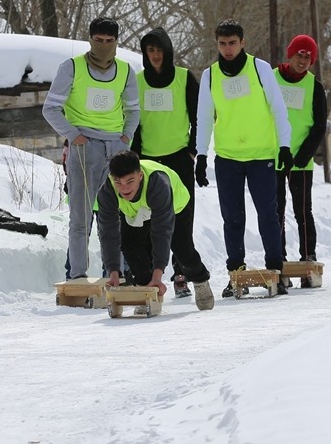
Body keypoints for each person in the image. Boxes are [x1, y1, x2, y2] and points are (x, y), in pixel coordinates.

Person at [194, 19, 293, 296]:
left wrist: (284, 146)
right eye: (222, 44)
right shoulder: (210, 76)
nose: (227, 49)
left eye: (232, 43)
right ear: (217, 44)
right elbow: (203, 118)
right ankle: (235, 272)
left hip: (262, 155)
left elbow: (278, 110)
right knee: (233, 218)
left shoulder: (260, 69)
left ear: (243, 43)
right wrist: (201, 155)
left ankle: (276, 270)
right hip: (227, 158)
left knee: (267, 216)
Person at [43, 17, 139, 280]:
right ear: (90, 39)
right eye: (99, 40)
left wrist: (126, 138)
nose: (105, 46)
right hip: (85, 148)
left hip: (116, 147)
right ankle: (78, 276)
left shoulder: (125, 70)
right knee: (81, 218)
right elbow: (50, 108)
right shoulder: (72, 68)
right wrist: (74, 136)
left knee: (120, 215)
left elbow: (132, 109)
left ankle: (118, 273)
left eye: (110, 41)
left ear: (117, 42)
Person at [131, 26, 201, 297]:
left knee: (182, 220)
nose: (155, 55)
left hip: (179, 158)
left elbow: (198, 116)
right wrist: (135, 154)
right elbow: (133, 119)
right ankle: (150, 277)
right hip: (148, 161)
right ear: (145, 53)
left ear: (167, 51)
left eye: (159, 50)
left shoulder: (184, 78)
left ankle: (181, 273)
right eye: (150, 50)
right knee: (150, 222)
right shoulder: (137, 81)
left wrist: (194, 150)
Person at [96, 150, 214, 310]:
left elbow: (162, 232)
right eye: (119, 182)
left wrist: (158, 275)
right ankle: (146, 291)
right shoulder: (107, 190)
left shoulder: (158, 183)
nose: (124, 188)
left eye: (130, 181)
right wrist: (113, 272)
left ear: (140, 176)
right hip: (137, 212)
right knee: (130, 246)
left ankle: (200, 280)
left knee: (182, 250)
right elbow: (108, 233)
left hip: (174, 206)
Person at [273, 34, 327, 262]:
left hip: (301, 159)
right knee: (276, 211)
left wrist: (305, 154)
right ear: (291, 54)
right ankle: (278, 256)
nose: (303, 60)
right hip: (274, 156)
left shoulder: (314, 86)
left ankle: (308, 255)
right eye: (299, 54)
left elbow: (319, 125)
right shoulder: (272, 79)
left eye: (308, 57)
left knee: (303, 211)